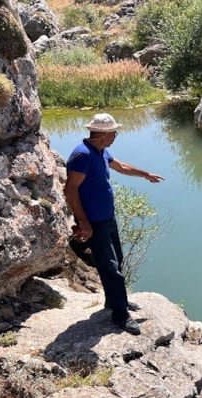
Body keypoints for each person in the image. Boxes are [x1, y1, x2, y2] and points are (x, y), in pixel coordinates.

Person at [63, 113, 164, 335]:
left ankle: (115, 301)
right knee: (110, 267)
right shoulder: (82, 155)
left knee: (117, 261)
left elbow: (121, 166)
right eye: (113, 132)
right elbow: (70, 190)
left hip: (108, 219)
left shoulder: (100, 151)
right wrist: (83, 222)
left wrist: (145, 174)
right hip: (94, 223)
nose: (116, 136)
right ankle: (120, 315)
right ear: (102, 134)